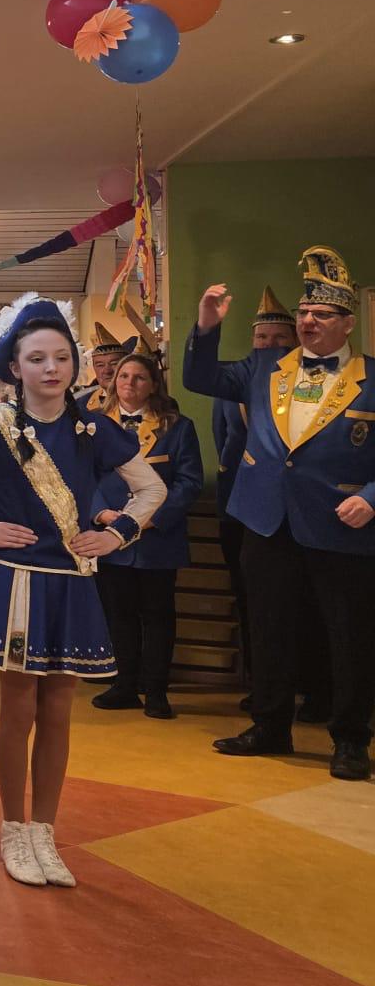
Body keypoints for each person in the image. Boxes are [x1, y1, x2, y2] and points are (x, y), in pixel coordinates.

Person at [0, 295, 164, 887]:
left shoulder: (94, 428)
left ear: (74, 363)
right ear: (15, 367)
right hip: (16, 579)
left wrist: (117, 534)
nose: (51, 368)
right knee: (18, 709)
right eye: (37, 358)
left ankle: (44, 829)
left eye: (61, 357)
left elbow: (151, 489)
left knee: (58, 713)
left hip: (71, 581)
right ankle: (12, 827)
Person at [185, 247, 375, 781]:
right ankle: (270, 725)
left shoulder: (371, 375)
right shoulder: (264, 367)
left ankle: (350, 739)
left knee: (349, 636)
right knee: (269, 628)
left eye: (322, 314)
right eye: (304, 312)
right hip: (266, 518)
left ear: (348, 323)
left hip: (342, 522)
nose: (309, 321)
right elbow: (200, 376)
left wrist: (372, 497)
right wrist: (206, 326)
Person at [90, 351, 204, 720]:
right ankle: (124, 684)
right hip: (110, 535)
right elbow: (82, 476)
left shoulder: (177, 427)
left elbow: (189, 482)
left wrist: (152, 517)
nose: (129, 383)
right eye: (123, 376)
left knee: (158, 614)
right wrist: (100, 513)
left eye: (139, 377)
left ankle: (156, 691)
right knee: (118, 612)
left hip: (157, 538)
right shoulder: (94, 426)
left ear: (153, 384)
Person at [211, 289, 299, 709]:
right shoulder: (236, 383)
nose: (269, 345)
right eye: (261, 338)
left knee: (301, 603)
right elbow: (223, 441)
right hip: (241, 506)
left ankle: (312, 686)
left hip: (295, 510)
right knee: (252, 599)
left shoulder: (305, 384)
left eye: (279, 338)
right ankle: (259, 686)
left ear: (295, 341)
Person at [77, 324, 136, 413]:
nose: (107, 371)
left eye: (114, 363)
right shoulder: (80, 404)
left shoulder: (142, 401)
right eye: (100, 365)